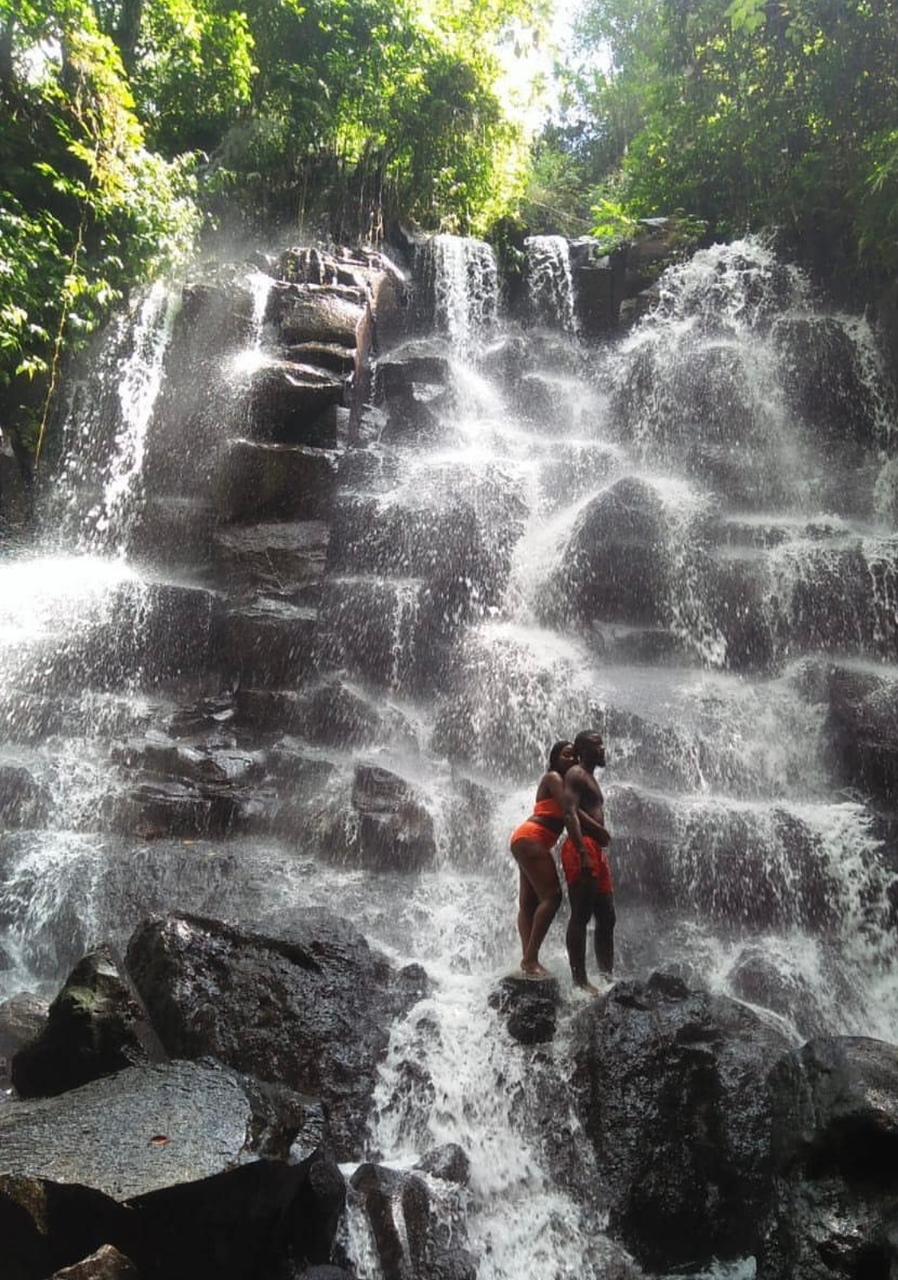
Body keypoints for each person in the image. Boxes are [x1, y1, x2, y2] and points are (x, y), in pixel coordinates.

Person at [509, 740, 611, 978]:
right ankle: (530, 959)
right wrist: (598, 830)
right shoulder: (554, 778)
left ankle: (528, 959)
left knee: (528, 903)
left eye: (575, 757)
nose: (573, 761)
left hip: (526, 840)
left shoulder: (564, 783)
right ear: (554, 759)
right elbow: (570, 811)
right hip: (532, 838)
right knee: (552, 897)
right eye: (566, 756)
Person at [562, 729, 615, 994]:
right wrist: (583, 851)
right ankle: (580, 981)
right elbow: (569, 813)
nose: (603, 748)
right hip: (580, 847)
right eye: (597, 745)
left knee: (607, 915)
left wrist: (598, 832)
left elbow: (579, 811)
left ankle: (607, 976)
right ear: (583, 749)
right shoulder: (576, 774)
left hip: (594, 848)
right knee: (581, 915)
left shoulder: (589, 778)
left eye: (602, 744)